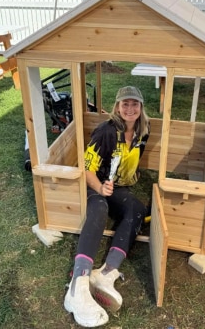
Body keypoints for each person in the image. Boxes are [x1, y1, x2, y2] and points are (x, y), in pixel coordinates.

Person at [64, 86, 150, 327]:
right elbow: (87, 168)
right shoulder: (106, 132)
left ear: (141, 107)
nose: (130, 109)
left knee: (137, 210)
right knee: (99, 209)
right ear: (117, 106)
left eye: (134, 104)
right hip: (94, 184)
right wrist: (100, 188)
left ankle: (106, 274)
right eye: (125, 104)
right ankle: (78, 285)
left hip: (117, 186)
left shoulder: (144, 130)